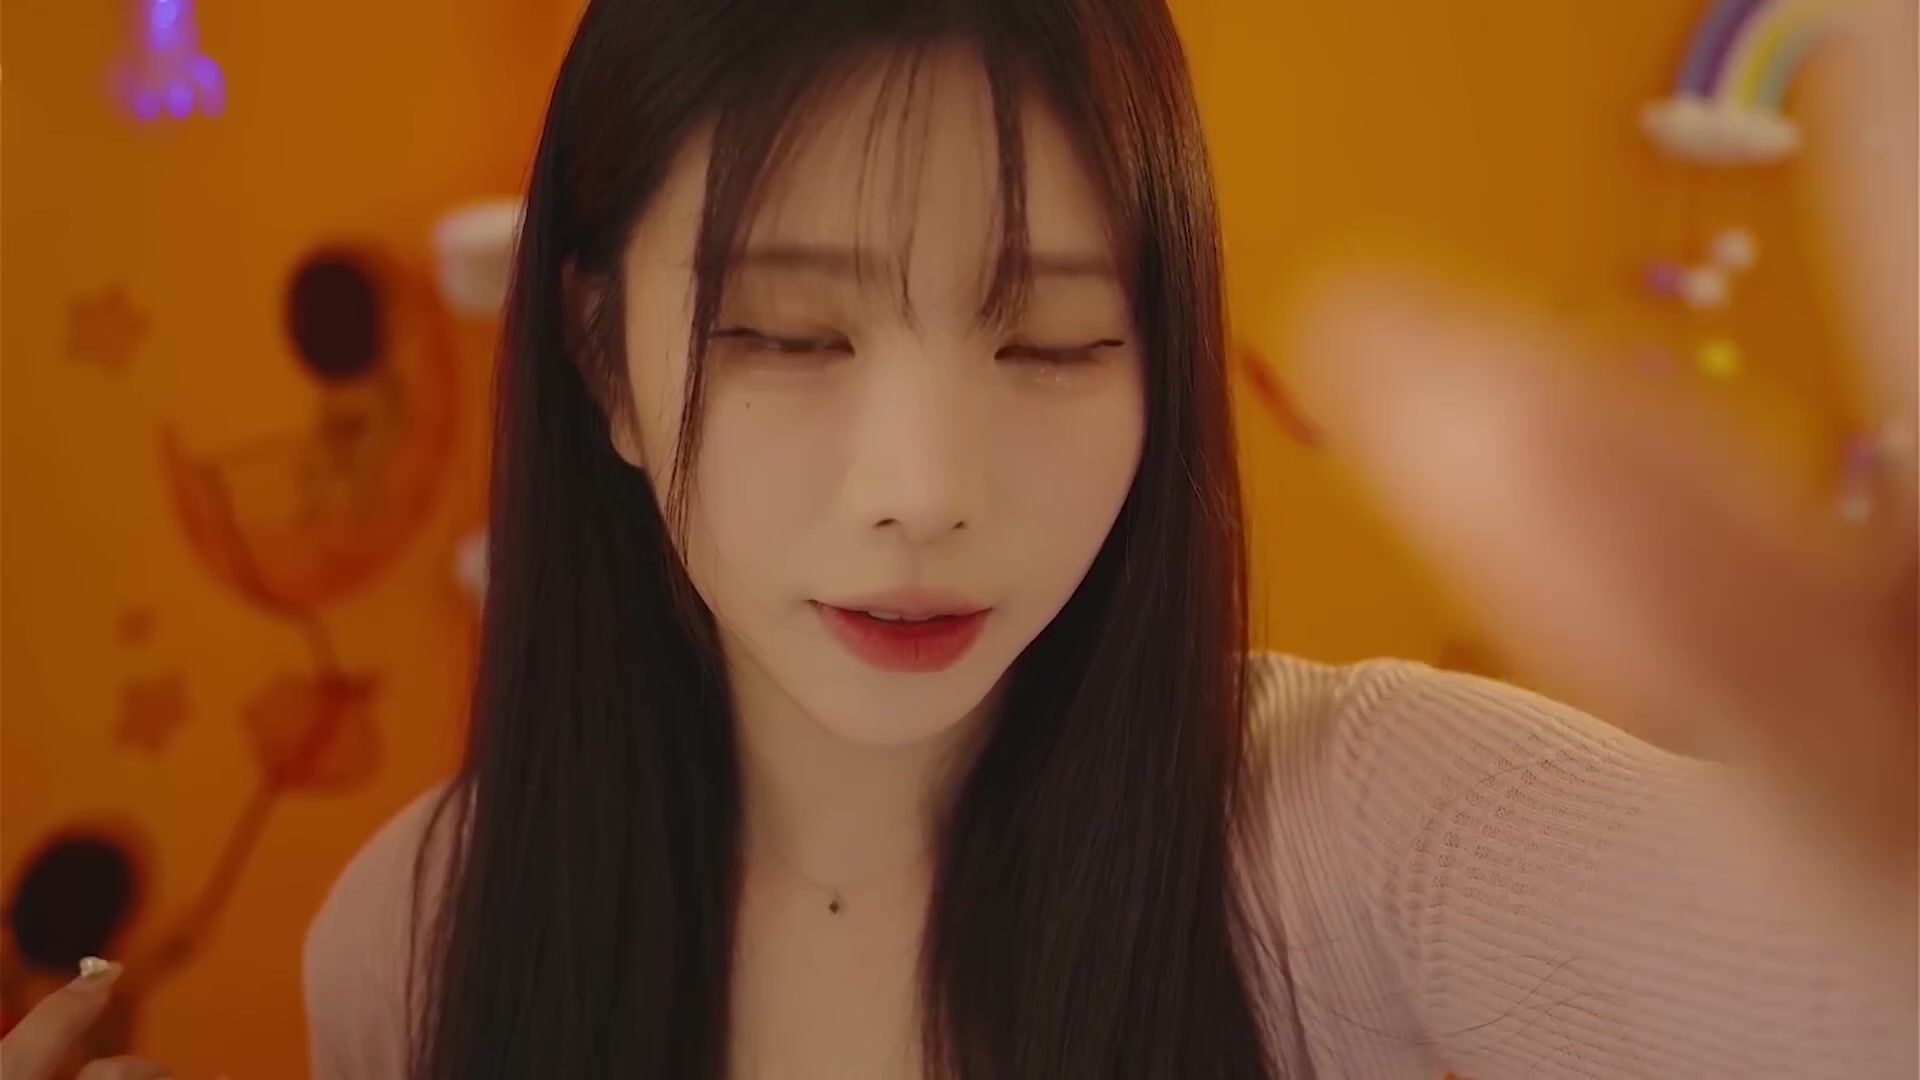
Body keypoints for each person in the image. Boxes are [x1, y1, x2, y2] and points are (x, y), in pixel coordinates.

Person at [5, 0, 1910, 1077]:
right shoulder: (411, 941)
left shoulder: (1371, 832)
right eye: (786, 333)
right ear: (597, 360)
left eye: (1057, 339)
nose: (924, 488)